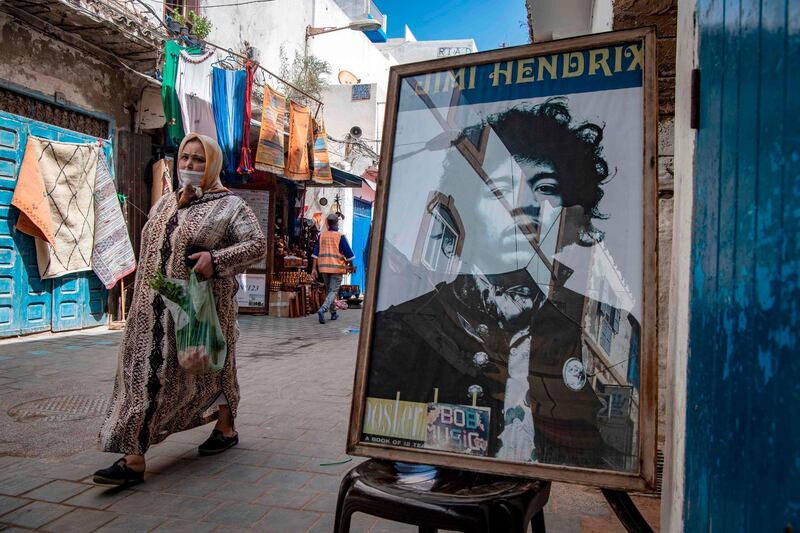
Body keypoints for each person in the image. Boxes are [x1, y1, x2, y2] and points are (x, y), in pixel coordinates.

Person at [366, 98, 637, 470]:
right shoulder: (404, 330)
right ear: (467, 209)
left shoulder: (580, 329)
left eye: (544, 187)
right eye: (500, 189)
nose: (526, 204)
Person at [94, 133, 267, 485]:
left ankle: (226, 427)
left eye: (198, 160)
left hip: (200, 311)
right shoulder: (165, 203)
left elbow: (257, 244)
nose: (189, 165)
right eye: (185, 158)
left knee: (213, 368)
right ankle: (133, 458)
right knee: (142, 378)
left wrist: (215, 259)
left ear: (213, 165)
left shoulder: (230, 206)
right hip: (150, 312)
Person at [311, 213, 355, 324]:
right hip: (336, 268)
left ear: (328, 223)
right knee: (333, 291)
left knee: (329, 291)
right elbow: (349, 254)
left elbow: (315, 254)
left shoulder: (321, 236)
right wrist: (351, 265)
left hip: (324, 268)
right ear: (336, 223)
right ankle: (323, 309)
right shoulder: (340, 236)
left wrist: (313, 269)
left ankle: (333, 313)